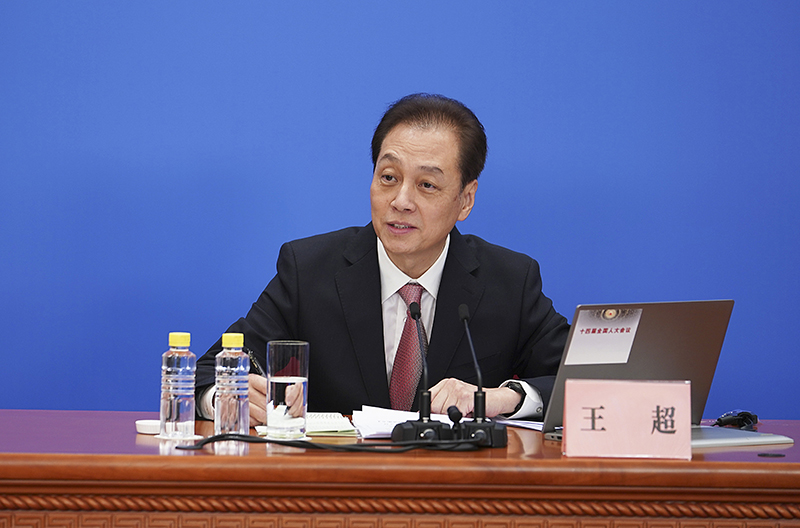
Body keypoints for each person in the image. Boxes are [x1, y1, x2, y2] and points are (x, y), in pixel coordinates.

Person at [195, 93, 570, 424]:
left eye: (427, 185)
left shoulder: (508, 281)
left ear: (465, 200)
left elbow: (586, 380)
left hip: (457, 481)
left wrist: (506, 398)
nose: (401, 201)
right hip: (340, 479)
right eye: (389, 177)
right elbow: (208, 372)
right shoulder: (308, 271)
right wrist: (225, 398)